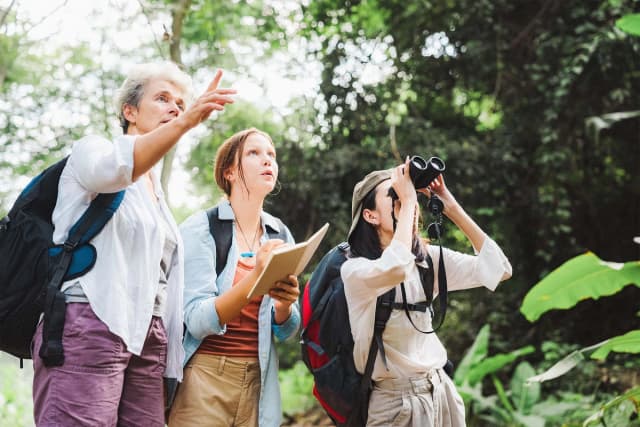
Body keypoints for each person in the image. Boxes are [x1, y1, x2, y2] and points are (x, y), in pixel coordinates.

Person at [32, 62, 236, 426]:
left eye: (180, 102)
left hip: (149, 336)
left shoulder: (157, 194)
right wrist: (187, 121)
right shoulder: (92, 151)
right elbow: (116, 169)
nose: (175, 107)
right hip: (89, 322)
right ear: (129, 111)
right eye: (162, 98)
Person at [342, 158, 512, 427]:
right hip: (395, 405)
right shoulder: (355, 272)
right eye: (394, 196)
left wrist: (451, 207)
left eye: (406, 196)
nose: (405, 200)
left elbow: (499, 269)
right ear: (370, 215)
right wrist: (409, 201)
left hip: (441, 393)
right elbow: (395, 267)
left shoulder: (426, 262)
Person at [168, 128, 301, 427]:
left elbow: (287, 330)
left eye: (271, 155)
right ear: (229, 171)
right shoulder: (202, 228)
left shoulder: (280, 234)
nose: (267, 160)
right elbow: (198, 320)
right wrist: (256, 278)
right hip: (203, 379)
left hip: (259, 380)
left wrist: (283, 306)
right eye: (254, 153)